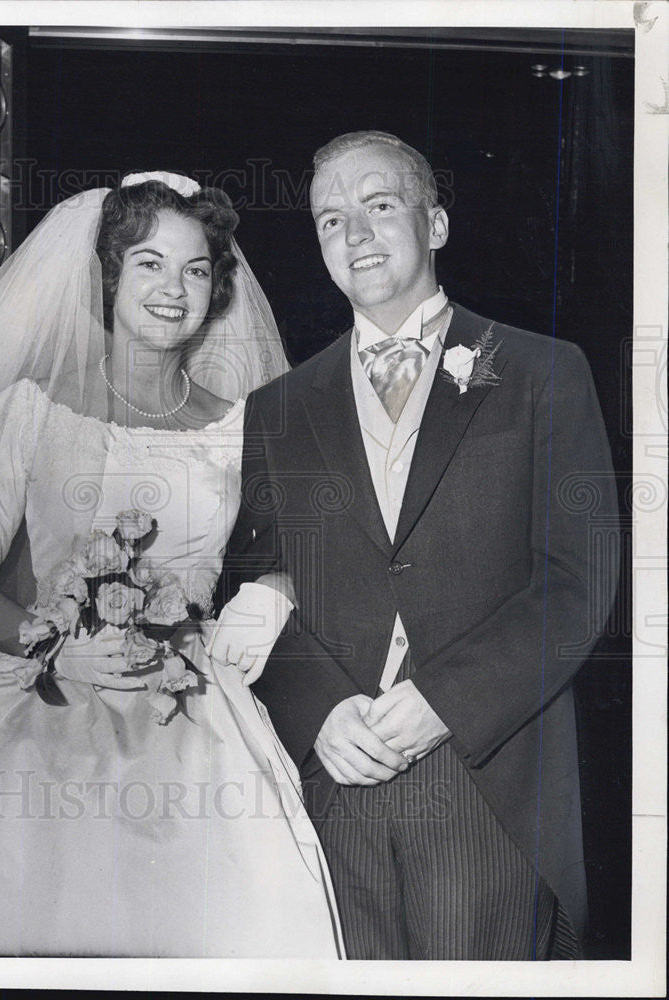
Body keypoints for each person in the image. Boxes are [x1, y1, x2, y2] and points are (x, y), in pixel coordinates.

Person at [0, 173, 344, 958]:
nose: (174, 289)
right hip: (27, 683)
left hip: (191, 706)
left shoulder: (242, 425)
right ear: (110, 274)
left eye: (196, 270)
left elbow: (290, 556)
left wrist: (279, 587)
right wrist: (47, 640)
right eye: (150, 263)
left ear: (218, 290)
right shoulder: (31, 408)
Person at [213, 131, 618, 960]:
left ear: (434, 225)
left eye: (380, 206)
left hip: (488, 778)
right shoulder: (280, 408)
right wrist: (315, 708)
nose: (355, 235)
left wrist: (446, 702)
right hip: (333, 781)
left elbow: (580, 581)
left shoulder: (545, 373)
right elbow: (252, 584)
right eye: (331, 220)